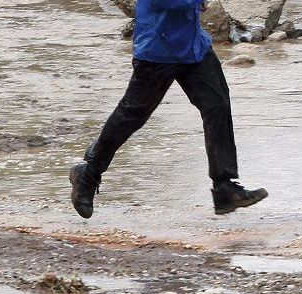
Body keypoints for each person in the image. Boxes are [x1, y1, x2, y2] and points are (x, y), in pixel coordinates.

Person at [69, 0, 268, 218]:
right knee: (132, 115)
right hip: (157, 48)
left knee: (216, 105)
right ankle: (88, 175)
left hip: (193, 46)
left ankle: (225, 188)